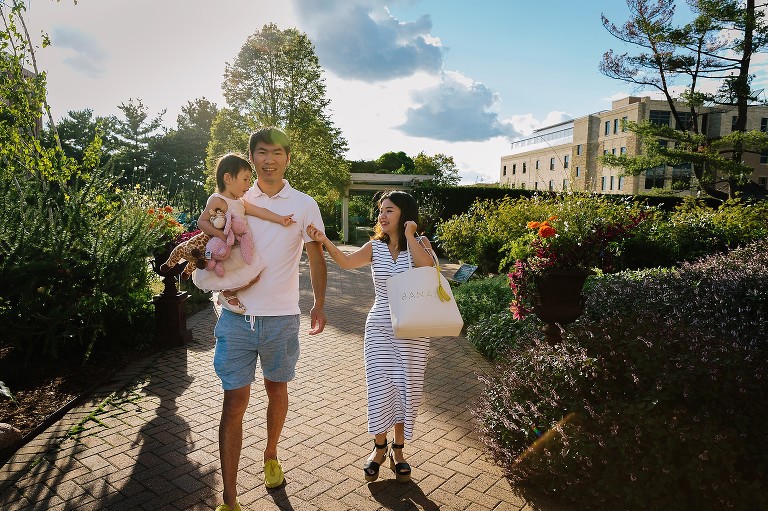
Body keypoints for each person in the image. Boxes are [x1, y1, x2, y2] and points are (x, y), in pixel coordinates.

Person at [215, 128, 327, 511]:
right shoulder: (235, 198)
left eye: (277, 152)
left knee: (277, 391)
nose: (269, 159)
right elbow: (212, 242)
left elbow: (315, 256)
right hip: (235, 318)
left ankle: (271, 453)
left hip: (281, 318)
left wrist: (320, 303)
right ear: (252, 158)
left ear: (288, 158)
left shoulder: (304, 204)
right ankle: (230, 498)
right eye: (262, 153)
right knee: (234, 402)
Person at [305, 190, 434, 484]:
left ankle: (398, 452)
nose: (381, 216)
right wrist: (324, 240)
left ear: (404, 214)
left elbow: (427, 268)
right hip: (379, 326)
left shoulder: (421, 244)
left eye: (389, 210)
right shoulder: (374, 247)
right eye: (381, 211)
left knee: (405, 388)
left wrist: (411, 235)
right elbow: (347, 263)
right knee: (379, 387)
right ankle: (378, 449)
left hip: (413, 330)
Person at [191, 153, 295, 314]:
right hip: (224, 247)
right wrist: (220, 235)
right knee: (244, 273)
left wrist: (279, 219)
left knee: (254, 274)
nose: (248, 185)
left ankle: (226, 294)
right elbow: (202, 222)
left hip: (236, 246)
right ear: (228, 178)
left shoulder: (239, 202)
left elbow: (259, 211)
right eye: (245, 179)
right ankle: (226, 294)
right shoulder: (218, 200)